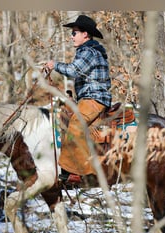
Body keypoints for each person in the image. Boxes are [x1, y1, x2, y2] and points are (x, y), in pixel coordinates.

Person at [45, 14, 112, 182]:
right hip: (87, 98)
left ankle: (80, 172)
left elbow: (74, 71)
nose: (72, 36)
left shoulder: (89, 51)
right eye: (72, 33)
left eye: (75, 33)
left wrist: (55, 65)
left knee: (76, 124)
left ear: (85, 35)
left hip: (94, 99)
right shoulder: (88, 50)